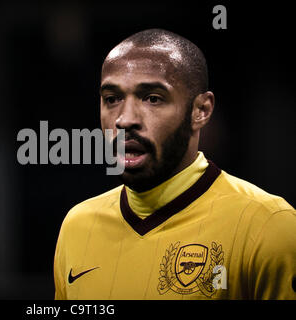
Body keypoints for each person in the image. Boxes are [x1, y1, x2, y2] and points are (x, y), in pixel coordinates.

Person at [53, 29, 296, 300]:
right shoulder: (76, 226)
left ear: (201, 110)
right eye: (112, 99)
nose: (124, 119)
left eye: (152, 98)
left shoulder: (270, 226)